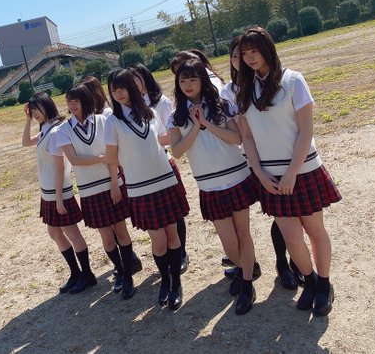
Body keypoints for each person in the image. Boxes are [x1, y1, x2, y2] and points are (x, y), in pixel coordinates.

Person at [236, 27, 341, 316]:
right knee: (292, 237)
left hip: (303, 170)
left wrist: (292, 172)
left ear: (267, 49)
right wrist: (259, 173)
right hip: (270, 176)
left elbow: (306, 130)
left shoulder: (293, 80)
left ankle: (324, 284)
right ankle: (310, 281)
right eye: (244, 53)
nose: (250, 57)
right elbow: (247, 137)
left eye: (254, 51)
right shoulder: (244, 90)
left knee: (315, 230)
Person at [167, 58, 259, 315]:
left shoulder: (222, 104)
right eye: (182, 80)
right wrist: (195, 127)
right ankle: (245, 268)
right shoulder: (176, 116)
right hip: (209, 185)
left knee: (243, 235)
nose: (187, 85)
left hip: (236, 177)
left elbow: (236, 138)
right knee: (229, 244)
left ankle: (247, 284)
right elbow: (177, 152)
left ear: (203, 80)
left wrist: (207, 124)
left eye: (192, 79)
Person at [221, 36, 303, 290]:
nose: (242, 60)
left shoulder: (273, 81)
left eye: (247, 53)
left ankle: (290, 263)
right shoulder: (228, 92)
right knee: (278, 215)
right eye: (236, 56)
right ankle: (272, 264)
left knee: (286, 215)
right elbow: (240, 133)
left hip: (276, 156)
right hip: (251, 160)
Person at [104, 69, 190, 310]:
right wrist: (131, 167)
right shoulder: (112, 121)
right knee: (159, 241)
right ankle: (165, 280)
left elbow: (163, 139)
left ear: (133, 87)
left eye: (122, 87)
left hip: (165, 180)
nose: (118, 93)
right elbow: (111, 157)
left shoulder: (150, 112)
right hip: (140, 187)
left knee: (173, 236)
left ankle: (175, 284)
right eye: (113, 89)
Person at [54, 84, 137, 299]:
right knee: (107, 238)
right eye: (69, 101)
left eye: (76, 101)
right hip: (90, 191)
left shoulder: (104, 121)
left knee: (122, 232)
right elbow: (74, 160)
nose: (72, 105)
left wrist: (114, 184)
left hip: (112, 185)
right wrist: (101, 158)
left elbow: (113, 155)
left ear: (86, 101)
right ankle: (120, 270)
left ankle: (128, 276)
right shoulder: (63, 130)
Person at [21, 92, 96, 294]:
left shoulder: (55, 132)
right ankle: (76, 273)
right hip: (48, 192)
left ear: (47, 105)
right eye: (32, 111)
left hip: (58, 192)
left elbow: (59, 168)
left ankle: (87, 275)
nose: (35, 114)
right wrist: (27, 120)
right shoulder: (46, 129)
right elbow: (26, 142)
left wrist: (59, 199)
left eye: (37, 109)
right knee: (54, 233)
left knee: (72, 233)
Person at [127, 62, 190, 274]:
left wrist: (150, 140)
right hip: (145, 168)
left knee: (175, 215)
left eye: (135, 78)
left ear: (144, 78)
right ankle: (172, 259)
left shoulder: (160, 102)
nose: (132, 83)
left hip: (163, 161)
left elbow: (172, 135)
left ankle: (181, 254)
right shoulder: (130, 106)